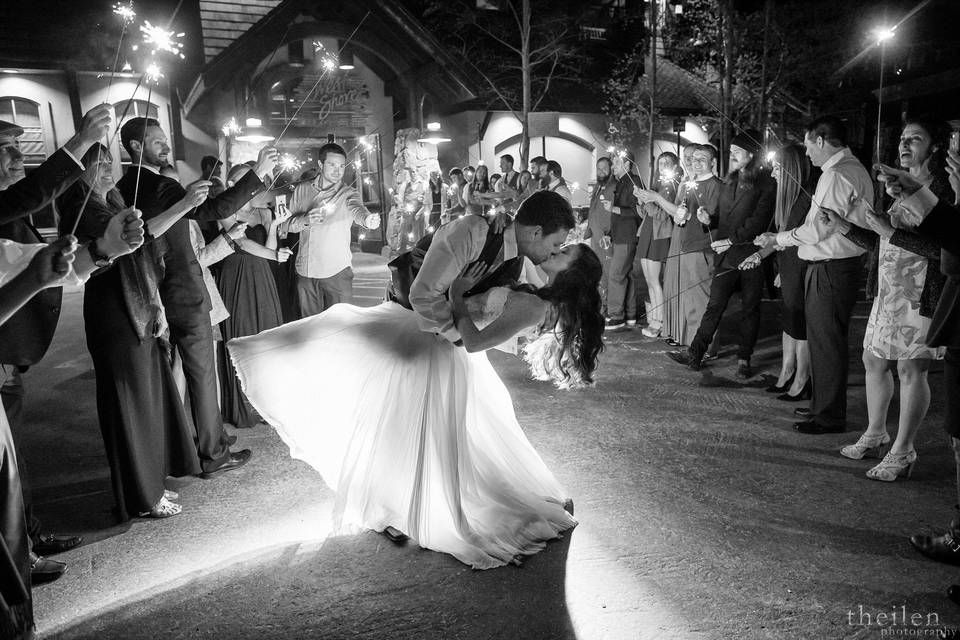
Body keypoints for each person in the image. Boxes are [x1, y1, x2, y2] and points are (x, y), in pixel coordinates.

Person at [227, 232, 602, 569]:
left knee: (405, 414)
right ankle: (403, 498)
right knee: (353, 348)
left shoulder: (535, 306)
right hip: (435, 345)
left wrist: (456, 295)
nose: (557, 248)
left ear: (572, 272)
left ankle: (420, 506)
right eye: (560, 243)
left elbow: (474, 342)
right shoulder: (534, 291)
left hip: (443, 352)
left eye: (565, 251)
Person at [117, 116, 271, 477]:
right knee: (202, 372)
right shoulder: (155, 185)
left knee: (187, 371)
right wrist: (259, 172)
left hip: (161, 287)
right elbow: (213, 210)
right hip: (183, 288)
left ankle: (208, 436)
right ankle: (213, 455)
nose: (166, 147)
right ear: (136, 147)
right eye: (157, 142)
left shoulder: (127, 185)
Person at [59, 144, 205, 521]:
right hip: (115, 314)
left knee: (148, 400)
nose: (108, 169)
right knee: (130, 404)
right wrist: (184, 205)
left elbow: (143, 257)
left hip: (137, 307)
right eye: (97, 165)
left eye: (110, 162)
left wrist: (155, 307)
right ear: (79, 172)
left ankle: (149, 483)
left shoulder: (113, 200)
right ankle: (143, 495)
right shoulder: (83, 210)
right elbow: (133, 244)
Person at [834, 117, 950, 480]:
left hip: (921, 295)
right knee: (873, 359)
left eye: (915, 139)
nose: (905, 144)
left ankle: (903, 451)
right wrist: (847, 228)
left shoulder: (941, 189)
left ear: (933, 147)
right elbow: (885, 241)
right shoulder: (898, 188)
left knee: (910, 368)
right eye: (902, 138)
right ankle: (875, 432)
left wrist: (889, 233)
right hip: (890, 293)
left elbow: (943, 248)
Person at [755, 116, 874, 434]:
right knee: (823, 340)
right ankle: (821, 406)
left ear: (821, 140)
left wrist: (777, 239)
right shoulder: (846, 170)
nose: (806, 153)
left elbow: (819, 229)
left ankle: (829, 415)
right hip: (831, 267)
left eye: (808, 145)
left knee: (826, 343)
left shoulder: (837, 174)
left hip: (832, 268)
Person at [666, 130, 776, 378]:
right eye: (732, 152)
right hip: (726, 255)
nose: (733, 156)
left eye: (737, 152)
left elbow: (758, 221)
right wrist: (710, 220)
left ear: (752, 153)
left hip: (751, 255)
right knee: (714, 305)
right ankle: (695, 353)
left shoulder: (766, 183)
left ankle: (744, 357)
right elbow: (724, 218)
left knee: (749, 308)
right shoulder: (731, 180)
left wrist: (730, 241)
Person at [215, 164, 292, 429]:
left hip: (262, 276)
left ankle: (267, 405)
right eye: (239, 181)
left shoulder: (264, 212)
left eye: (250, 181)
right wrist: (273, 254)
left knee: (267, 336)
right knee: (242, 335)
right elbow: (241, 243)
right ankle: (243, 406)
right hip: (235, 275)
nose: (246, 186)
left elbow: (270, 248)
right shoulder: (224, 211)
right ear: (231, 185)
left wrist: (274, 227)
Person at [739, 143, 813, 401]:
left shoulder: (806, 199)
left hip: (803, 267)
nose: (772, 174)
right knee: (788, 323)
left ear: (792, 168)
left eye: (778, 168)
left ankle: (802, 379)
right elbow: (780, 239)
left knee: (800, 325)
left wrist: (774, 250)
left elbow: (802, 237)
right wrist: (759, 255)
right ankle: (786, 371)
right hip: (788, 267)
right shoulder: (787, 200)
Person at [282, 143, 381, 317]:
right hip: (306, 272)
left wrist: (368, 219)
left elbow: (358, 210)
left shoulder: (348, 193)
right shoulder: (302, 190)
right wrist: (305, 219)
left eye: (342, 166)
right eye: (332, 165)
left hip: (337, 272)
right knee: (310, 327)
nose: (338, 171)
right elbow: (285, 225)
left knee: (341, 327)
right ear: (320, 165)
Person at [648, 144, 721, 348]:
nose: (695, 163)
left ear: (713, 163)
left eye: (701, 159)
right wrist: (681, 215)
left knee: (701, 300)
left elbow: (713, 220)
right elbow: (681, 215)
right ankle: (692, 345)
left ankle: (706, 347)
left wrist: (700, 218)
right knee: (690, 300)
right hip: (686, 245)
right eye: (692, 159)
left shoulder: (715, 185)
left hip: (702, 247)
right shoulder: (690, 183)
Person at [635, 152, 678, 338]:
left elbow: (663, 216)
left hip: (659, 236)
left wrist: (649, 201)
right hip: (647, 233)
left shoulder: (672, 187)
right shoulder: (657, 185)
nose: (662, 166)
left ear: (675, 167)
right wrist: (640, 200)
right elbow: (645, 215)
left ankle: (659, 321)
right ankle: (653, 317)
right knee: (648, 280)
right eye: (660, 163)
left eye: (667, 163)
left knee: (655, 280)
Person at [606, 150, 642, 330]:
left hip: (627, 235)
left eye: (617, 163)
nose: (613, 167)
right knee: (626, 275)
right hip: (620, 235)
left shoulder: (634, 182)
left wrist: (614, 209)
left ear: (627, 165)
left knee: (615, 275)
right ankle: (630, 314)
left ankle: (616, 315)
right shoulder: (622, 182)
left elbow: (638, 211)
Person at [584, 157, 616, 316]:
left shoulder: (614, 187)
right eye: (598, 168)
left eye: (604, 168)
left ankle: (609, 307)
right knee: (597, 272)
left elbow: (613, 214)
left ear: (611, 170)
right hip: (595, 237)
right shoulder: (597, 186)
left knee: (608, 273)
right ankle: (600, 305)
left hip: (605, 238)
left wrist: (608, 234)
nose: (601, 171)